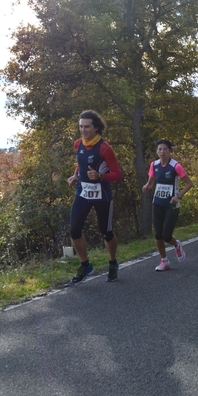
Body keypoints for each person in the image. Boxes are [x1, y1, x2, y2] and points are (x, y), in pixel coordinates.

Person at [67, 110, 123, 283]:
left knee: (106, 232)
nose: (83, 130)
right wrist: (75, 175)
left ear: (96, 127)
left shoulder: (105, 148)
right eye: (81, 127)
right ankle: (85, 265)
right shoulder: (78, 144)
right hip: (83, 192)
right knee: (74, 230)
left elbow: (117, 174)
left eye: (87, 127)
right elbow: (81, 163)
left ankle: (112, 262)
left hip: (102, 194)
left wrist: (100, 176)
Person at [141, 139, 194, 272]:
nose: (162, 152)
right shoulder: (154, 165)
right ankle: (164, 260)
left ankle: (177, 245)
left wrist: (178, 196)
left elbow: (189, 183)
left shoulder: (176, 166)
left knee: (166, 235)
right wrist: (147, 186)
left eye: (165, 149)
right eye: (160, 149)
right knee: (158, 235)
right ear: (157, 151)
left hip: (171, 205)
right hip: (158, 202)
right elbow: (151, 182)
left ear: (170, 151)